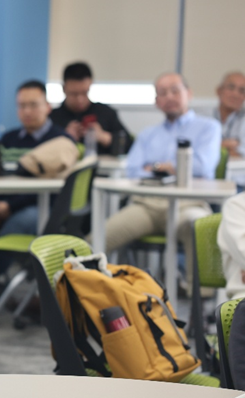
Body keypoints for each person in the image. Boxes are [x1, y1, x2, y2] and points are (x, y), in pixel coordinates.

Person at [100, 73, 221, 289]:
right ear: (156, 101)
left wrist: (156, 167)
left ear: (189, 93)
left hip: (188, 205)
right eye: (163, 93)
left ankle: (200, 303)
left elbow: (202, 167)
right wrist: (171, 167)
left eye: (175, 90)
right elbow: (133, 170)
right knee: (100, 237)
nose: (169, 97)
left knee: (200, 227)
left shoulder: (208, 128)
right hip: (147, 206)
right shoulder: (148, 134)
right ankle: (87, 295)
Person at [0, 80, 71, 278]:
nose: (27, 111)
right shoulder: (8, 139)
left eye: (33, 105)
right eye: (22, 106)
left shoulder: (60, 141)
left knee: (18, 223)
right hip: (5, 204)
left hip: (41, 207)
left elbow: (54, 189)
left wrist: (10, 206)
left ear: (47, 107)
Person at [50, 62, 132, 156]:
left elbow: (132, 146)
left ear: (90, 85)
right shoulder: (52, 118)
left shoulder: (106, 113)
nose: (80, 99)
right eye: (74, 94)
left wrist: (104, 137)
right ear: (64, 88)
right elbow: (39, 148)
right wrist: (63, 138)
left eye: (85, 92)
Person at [211, 71, 245, 188]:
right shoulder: (203, 117)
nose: (235, 94)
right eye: (231, 87)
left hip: (238, 184)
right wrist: (229, 145)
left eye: (242, 91)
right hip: (206, 181)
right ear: (219, 91)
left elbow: (241, 153)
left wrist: (211, 146)